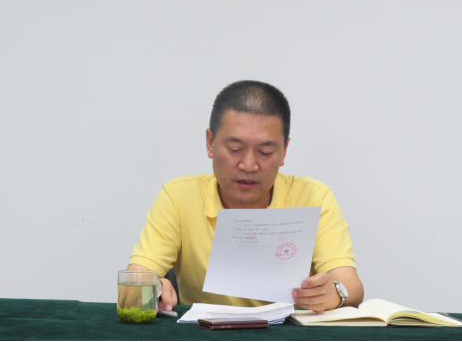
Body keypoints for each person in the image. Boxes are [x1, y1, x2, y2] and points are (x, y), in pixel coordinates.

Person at [124, 81, 364, 313]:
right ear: (210, 143)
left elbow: (351, 285)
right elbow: (133, 283)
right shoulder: (179, 197)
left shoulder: (313, 198)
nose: (249, 165)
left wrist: (335, 293)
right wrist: (154, 288)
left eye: (265, 152)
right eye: (235, 149)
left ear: (284, 151)